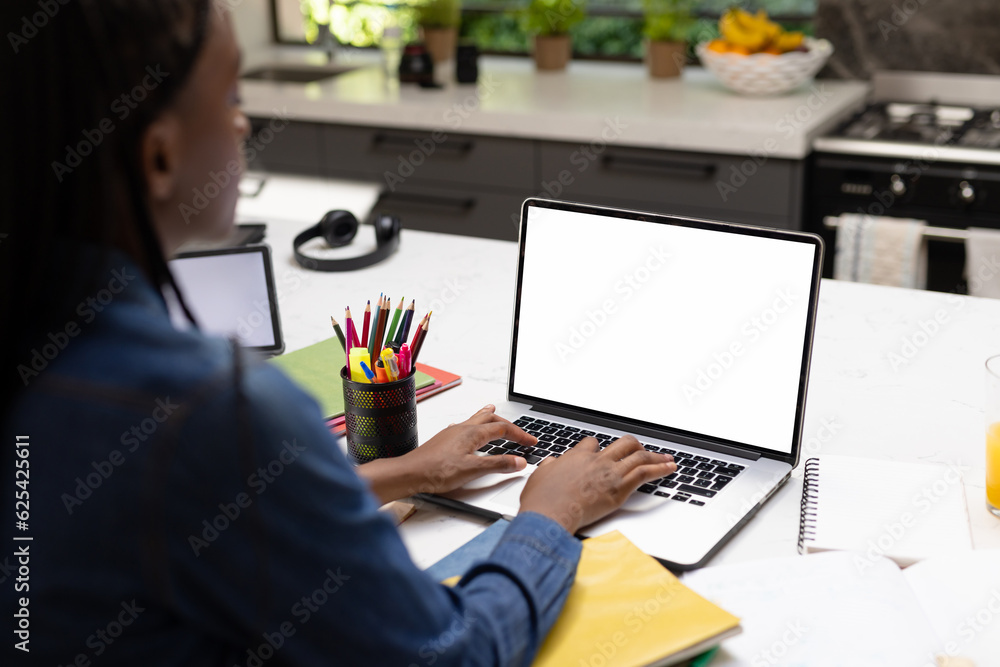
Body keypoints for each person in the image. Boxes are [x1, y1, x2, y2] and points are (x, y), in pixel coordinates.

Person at [0, 1, 676, 664]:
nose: (243, 122)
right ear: (159, 157)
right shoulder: (208, 412)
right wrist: (549, 517)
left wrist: (406, 471)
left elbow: (207, 519)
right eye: (231, 95)